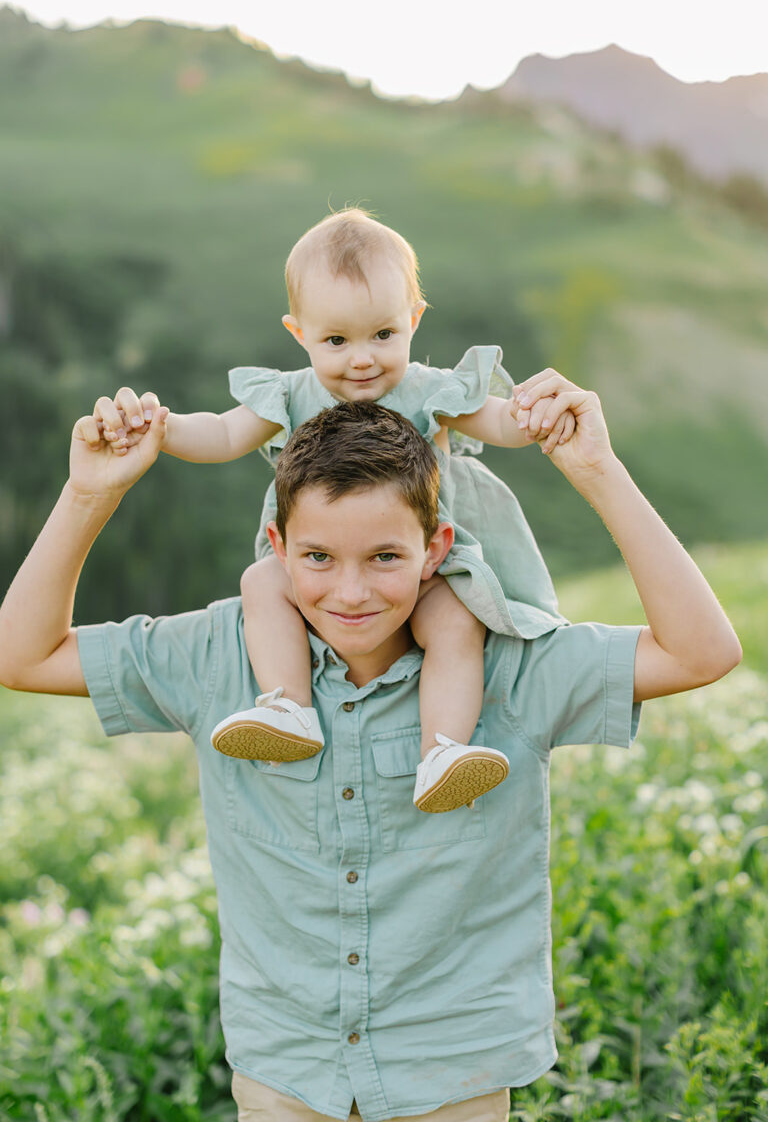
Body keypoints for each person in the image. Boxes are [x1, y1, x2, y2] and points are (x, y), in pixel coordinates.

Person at [0, 372, 741, 1122]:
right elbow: (23, 656)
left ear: (435, 548)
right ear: (278, 547)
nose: (351, 593)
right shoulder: (219, 654)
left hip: (454, 1073)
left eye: (385, 557)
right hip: (288, 1074)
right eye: (318, 558)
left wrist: (597, 471)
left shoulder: (511, 663)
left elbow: (701, 652)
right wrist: (90, 495)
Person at [94, 207, 576, 813]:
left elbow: (498, 422)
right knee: (261, 583)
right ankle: (287, 707)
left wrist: (535, 415)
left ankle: (444, 750)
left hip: (426, 560)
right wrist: (160, 429)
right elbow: (220, 434)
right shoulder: (293, 393)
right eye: (336, 341)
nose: (362, 360)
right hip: (326, 561)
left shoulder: (429, 388)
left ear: (413, 320)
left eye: (383, 335)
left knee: (455, 624)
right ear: (300, 334)